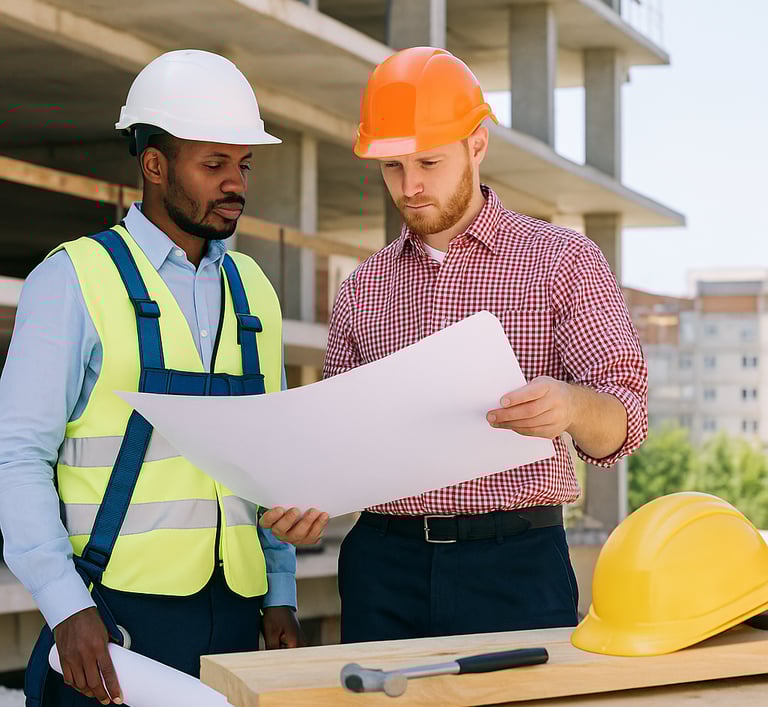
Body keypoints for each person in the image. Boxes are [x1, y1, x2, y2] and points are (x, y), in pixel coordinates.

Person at [0, 49, 326, 706]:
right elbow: (16, 452)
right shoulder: (73, 279)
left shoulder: (254, 291)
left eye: (243, 165)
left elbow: (266, 456)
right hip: (111, 619)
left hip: (237, 614)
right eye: (214, 165)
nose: (235, 182)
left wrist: (280, 592)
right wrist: (65, 607)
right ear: (154, 165)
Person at [322, 46, 648, 643]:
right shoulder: (360, 288)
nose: (411, 186)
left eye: (429, 162)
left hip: (515, 564)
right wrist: (307, 497)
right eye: (393, 167)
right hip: (381, 567)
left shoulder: (562, 261)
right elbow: (340, 441)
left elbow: (625, 424)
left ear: (477, 144)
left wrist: (572, 407)